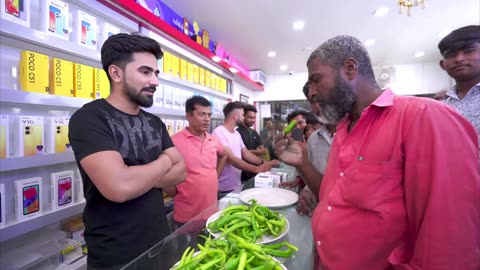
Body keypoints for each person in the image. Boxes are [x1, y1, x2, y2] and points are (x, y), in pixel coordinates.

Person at [275, 35, 480, 269]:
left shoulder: (423, 116)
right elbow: (334, 200)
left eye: (316, 80)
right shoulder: (344, 129)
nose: (311, 93)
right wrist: (303, 163)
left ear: (350, 68)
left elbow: (451, 235)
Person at [69, 33, 186, 270]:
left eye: (156, 73)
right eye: (145, 72)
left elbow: (181, 171)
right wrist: (164, 161)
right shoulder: (90, 118)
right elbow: (120, 188)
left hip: (160, 242)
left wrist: (133, 176)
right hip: (116, 256)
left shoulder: (154, 122)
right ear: (116, 73)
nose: (155, 81)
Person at [164, 96, 226, 229]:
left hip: (211, 211)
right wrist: (172, 191)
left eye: (209, 114)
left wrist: (215, 174)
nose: (207, 119)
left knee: (210, 247)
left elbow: (223, 155)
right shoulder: (174, 141)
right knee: (187, 249)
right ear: (189, 115)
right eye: (201, 114)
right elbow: (163, 170)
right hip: (186, 214)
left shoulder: (213, 140)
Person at [212, 101, 277, 199]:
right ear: (235, 116)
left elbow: (246, 153)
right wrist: (256, 169)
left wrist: (263, 162)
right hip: (224, 188)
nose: (243, 117)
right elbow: (230, 158)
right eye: (242, 115)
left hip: (237, 185)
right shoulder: (219, 132)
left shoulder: (236, 134)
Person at [438, 25, 480, 135]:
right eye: (450, 55)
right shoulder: (442, 104)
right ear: (443, 65)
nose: (459, 59)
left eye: (469, 51)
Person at [237, 104, 267, 182]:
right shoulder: (237, 132)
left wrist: (248, 152)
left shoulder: (254, 132)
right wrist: (257, 152)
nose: (253, 120)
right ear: (243, 116)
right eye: (250, 117)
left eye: (254, 118)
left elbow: (263, 150)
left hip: (255, 172)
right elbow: (239, 153)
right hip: (242, 174)